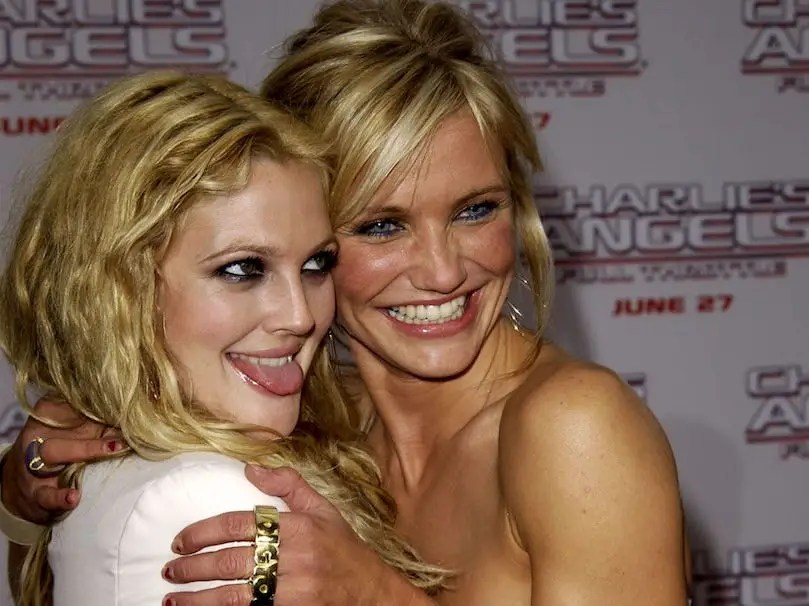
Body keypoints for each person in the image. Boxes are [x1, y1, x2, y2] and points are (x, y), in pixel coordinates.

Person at [1, 1, 692, 605]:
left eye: (476, 209)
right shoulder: (307, 416)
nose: (444, 271)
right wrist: (31, 501)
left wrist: (378, 595)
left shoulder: (572, 428)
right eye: (382, 226)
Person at [0, 70, 445, 605]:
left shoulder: (123, 463)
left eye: (316, 264)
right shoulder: (225, 504)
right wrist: (381, 595)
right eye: (242, 269)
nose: (300, 316)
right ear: (121, 288)